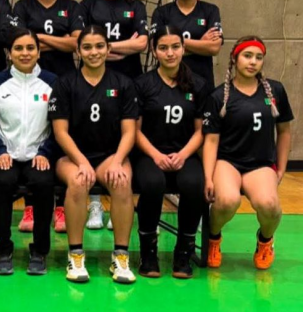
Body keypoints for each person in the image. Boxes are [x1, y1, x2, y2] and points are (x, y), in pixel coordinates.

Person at [49, 24, 139, 284]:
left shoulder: (123, 83)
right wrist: (82, 162)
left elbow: (129, 132)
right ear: (78, 51)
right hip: (72, 157)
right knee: (79, 182)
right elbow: (60, 132)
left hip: (110, 155)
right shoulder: (65, 83)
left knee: (121, 181)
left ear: (108, 49)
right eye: (87, 47)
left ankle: (120, 257)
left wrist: (118, 161)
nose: (94, 52)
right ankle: (76, 255)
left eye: (100, 46)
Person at [203, 36, 293, 270]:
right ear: (235, 59)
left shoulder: (275, 91)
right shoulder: (219, 96)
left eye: (258, 57)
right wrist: (208, 177)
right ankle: (213, 237)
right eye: (247, 56)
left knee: (270, 205)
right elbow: (211, 140)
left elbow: (284, 132)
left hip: (260, 163)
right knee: (227, 201)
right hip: (228, 161)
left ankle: (265, 240)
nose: (253, 62)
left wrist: (281, 167)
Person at [75, 0, 148, 231]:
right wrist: (120, 46)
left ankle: (125, 200)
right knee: (93, 134)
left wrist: (105, 48)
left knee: (125, 135)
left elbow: (142, 43)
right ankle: (95, 204)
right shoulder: (88, 5)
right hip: (92, 80)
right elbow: (80, 42)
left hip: (129, 80)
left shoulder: (135, 6)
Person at [12, 0, 83, 234]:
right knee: (33, 133)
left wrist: (38, 38)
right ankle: (30, 205)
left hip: (65, 80)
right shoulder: (22, 6)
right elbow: (20, 42)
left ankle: (61, 206)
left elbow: (75, 43)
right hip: (30, 79)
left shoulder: (71, 7)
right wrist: (59, 42)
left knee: (63, 137)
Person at [133, 25, 209, 279]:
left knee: (193, 183)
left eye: (175, 47)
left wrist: (183, 154)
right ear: (154, 51)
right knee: (152, 183)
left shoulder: (198, 84)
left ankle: (183, 252)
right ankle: (148, 253)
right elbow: (134, 130)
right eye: (163, 48)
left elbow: (200, 131)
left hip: (184, 154)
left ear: (184, 48)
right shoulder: (143, 84)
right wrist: (156, 155)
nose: (170, 53)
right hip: (149, 154)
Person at [0, 28, 57, 276]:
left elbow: (59, 125)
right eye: (18, 48)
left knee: (43, 183)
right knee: (2, 182)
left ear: (39, 52)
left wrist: (45, 152)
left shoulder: (52, 81)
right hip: (5, 155)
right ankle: (4, 249)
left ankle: (39, 250)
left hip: (39, 156)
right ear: (9, 53)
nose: (24, 53)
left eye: (30, 48)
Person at [151, 0, 223, 89]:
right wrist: (200, 44)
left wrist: (171, 44)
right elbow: (155, 50)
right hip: (167, 85)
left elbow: (214, 48)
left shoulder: (211, 11)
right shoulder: (161, 13)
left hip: (202, 84)